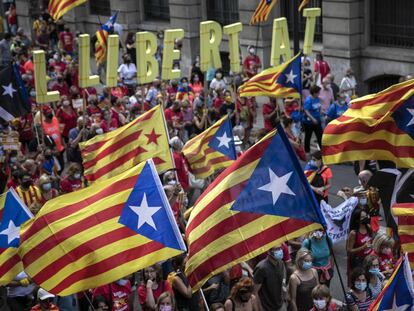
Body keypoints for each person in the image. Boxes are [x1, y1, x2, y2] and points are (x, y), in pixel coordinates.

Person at [253, 244, 288, 311]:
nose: (280, 251)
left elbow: (283, 284)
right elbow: (255, 292)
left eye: (281, 248)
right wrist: (259, 308)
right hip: (266, 307)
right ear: (269, 251)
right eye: (277, 249)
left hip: (281, 305)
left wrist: (285, 300)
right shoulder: (261, 268)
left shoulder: (281, 263)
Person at [347, 208, 373, 273]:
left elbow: (371, 240)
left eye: (366, 216)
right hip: (358, 260)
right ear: (357, 220)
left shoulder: (369, 227)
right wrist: (363, 247)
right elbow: (349, 250)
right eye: (363, 217)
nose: (366, 218)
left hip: (369, 258)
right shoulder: (353, 233)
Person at [303, 85, 323, 154]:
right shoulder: (308, 100)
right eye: (318, 92)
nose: (319, 94)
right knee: (308, 136)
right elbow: (306, 111)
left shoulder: (317, 98)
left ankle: (322, 151)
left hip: (317, 121)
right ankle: (307, 151)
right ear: (314, 93)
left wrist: (322, 112)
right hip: (309, 122)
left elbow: (318, 107)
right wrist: (312, 119)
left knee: (320, 135)